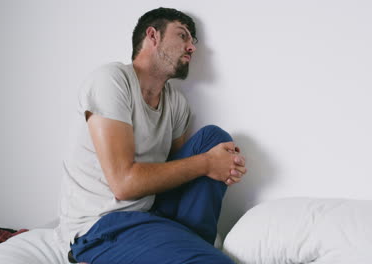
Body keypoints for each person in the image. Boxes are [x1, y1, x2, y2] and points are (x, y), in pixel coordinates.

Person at [56, 7, 247, 264]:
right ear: (153, 36)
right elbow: (123, 184)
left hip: (151, 215)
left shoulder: (176, 103)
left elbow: (179, 176)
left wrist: (223, 163)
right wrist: (208, 163)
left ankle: (190, 243)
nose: (192, 47)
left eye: (194, 41)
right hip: (102, 227)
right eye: (183, 36)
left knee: (215, 139)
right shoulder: (111, 80)